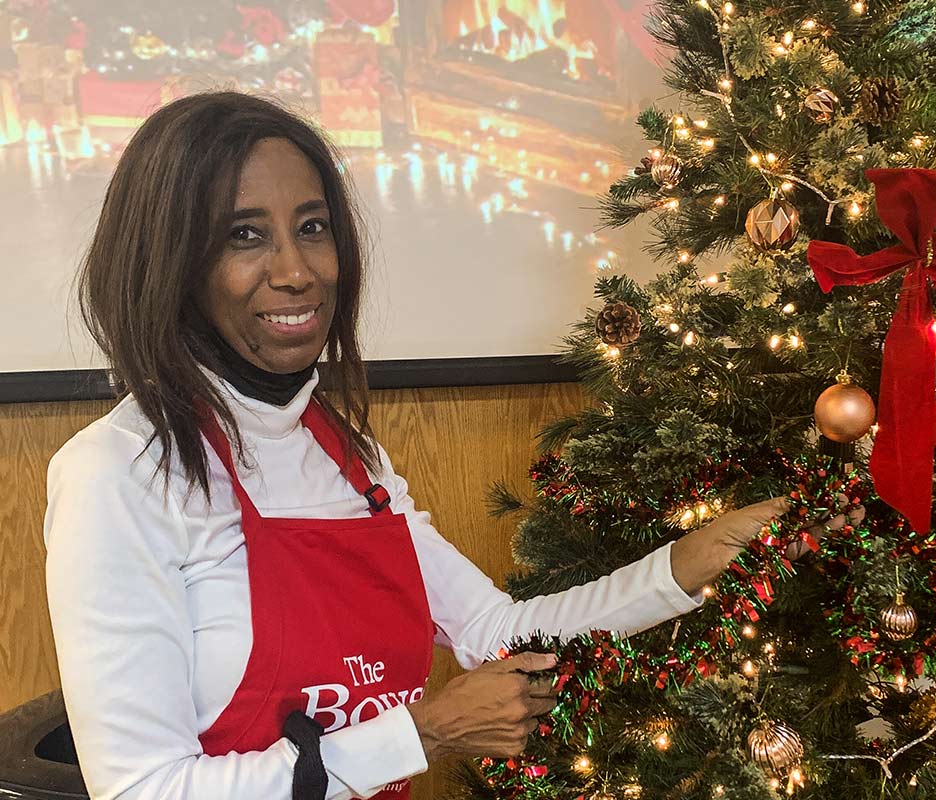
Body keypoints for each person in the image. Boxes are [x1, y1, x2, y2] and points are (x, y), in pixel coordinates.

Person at [42, 91, 794, 800]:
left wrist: (696, 559)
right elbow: (144, 789)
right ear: (168, 264)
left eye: (312, 227)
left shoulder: (348, 454)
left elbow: (496, 633)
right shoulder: (117, 476)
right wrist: (422, 734)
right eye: (244, 236)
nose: (298, 271)